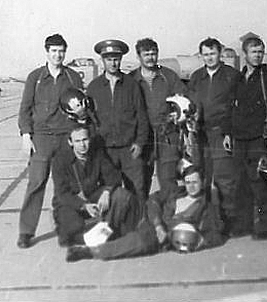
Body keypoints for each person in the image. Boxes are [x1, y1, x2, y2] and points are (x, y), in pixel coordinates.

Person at [65, 165, 225, 262]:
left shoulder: (206, 208)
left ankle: (92, 251)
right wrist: (157, 224)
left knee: (139, 241)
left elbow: (216, 235)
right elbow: (153, 200)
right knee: (121, 195)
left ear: (203, 182)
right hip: (146, 218)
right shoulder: (176, 192)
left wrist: (197, 240)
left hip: (157, 236)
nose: (191, 186)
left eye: (195, 182)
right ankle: (97, 236)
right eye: (188, 182)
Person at [17, 34, 84, 248]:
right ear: (47, 52)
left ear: (65, 52)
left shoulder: (73, 77)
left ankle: (68, 229)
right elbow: (25, 110)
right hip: (42, 139)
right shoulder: (35, 77)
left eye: (61, 51)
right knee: (36, 183)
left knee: (66, 186)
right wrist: (26, 135)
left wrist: (82, 118)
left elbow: (81, 110)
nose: (58, 55)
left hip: (65, 137)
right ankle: (26, 232)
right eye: (54, 50)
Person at [87, 39, 149, 210]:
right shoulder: (94, 88)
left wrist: (139, 143)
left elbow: (142, 116)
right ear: (102, 61)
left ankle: (139, 228)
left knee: (137, 190)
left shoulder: (132, 85)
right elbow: (90, 120)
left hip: (130, 150)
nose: (113, 63)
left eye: (116, 59)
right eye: (109, 59)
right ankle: (112, 229)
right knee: (108, 192)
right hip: (105, 150)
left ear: (120, 60)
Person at [187, 37, 241, 235]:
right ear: (201, 56)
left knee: (224, 180)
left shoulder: (232, 76)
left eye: (213, 53)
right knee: (199, 176)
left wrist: (229, 132)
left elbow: (237, 106)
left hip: (221, 133)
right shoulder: (196, 77)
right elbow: (189, 105)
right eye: (206, 54)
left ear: (220, 53)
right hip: (200, 134)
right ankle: (204, 219)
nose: (209, 58)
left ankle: (229, 222)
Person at [52, 125, 139, 247]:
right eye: (77, 141)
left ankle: (109, 229)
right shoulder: (60, 160)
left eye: (85, 140)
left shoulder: (96, 153)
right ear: (70, 142)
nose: (82, 145)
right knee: (70, 235)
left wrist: (107, 192)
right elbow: (62, 194)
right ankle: (74, 233)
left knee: (121, 195)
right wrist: (83, 206)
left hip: (91, 195)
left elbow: (113, 175)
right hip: (71, 202)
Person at [231, 36, 267, 239]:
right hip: (240, 138)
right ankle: (244, 224)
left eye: (261, 51)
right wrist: (229, 132)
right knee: (241, 184)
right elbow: (231, 106)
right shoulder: (239, 78)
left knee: (263, 184)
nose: (258, 55)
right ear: (245, 54)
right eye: (254, 51)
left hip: (259, 139)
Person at [129, 38, 188, 195]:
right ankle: (141, 218)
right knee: (140, 182)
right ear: (138, 56)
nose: (150, 58)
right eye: (146, 54)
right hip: (143, 137)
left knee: (168, 181)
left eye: (153, 54)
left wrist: (178, 111)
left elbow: (184, 98)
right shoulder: (131, 79)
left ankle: (169, 217)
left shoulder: (168, 76)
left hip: (167, 135)